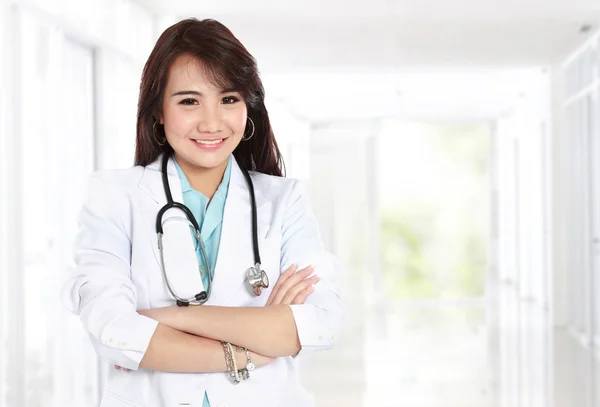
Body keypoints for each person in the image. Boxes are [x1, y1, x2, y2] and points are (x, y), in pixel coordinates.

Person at [61, 17, 343, 407]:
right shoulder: (114, 196)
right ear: (158, 110)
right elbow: (113, 330)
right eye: (189, 101)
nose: (211, 123)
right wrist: (253, 349)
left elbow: (319, 324)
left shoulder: (285, 200)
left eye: (229, 99)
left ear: (249, 108)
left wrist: (167, 319)